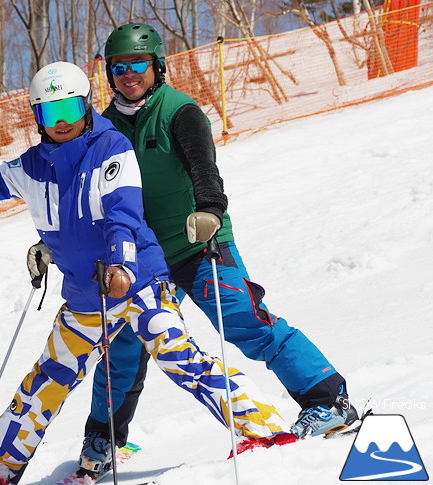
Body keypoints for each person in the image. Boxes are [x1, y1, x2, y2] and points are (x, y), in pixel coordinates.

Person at [0, 61, 290, 485]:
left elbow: (124, 214)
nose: (62, 123)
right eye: (49, 113)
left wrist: (122, 264)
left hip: (138, 281)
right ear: (37, 118)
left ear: (86, 106)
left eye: (70, 110)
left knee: (178, 355)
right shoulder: (32, 166)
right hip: (84, 295)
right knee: (48, 379)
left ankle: (265, 431)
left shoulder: (111, 148)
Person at [28, 23, 359, 476]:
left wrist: (210, 210)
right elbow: (78, 194)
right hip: (142, 259)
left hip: (197, 241)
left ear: (157, 66)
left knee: (245, 319)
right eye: (119, 67)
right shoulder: (99, 127)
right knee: (121, 348)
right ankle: (104, 438)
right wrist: (55, 241)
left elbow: (205, 169)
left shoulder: (179, 111)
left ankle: (328, 400)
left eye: (138, 65)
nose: (129, 74)